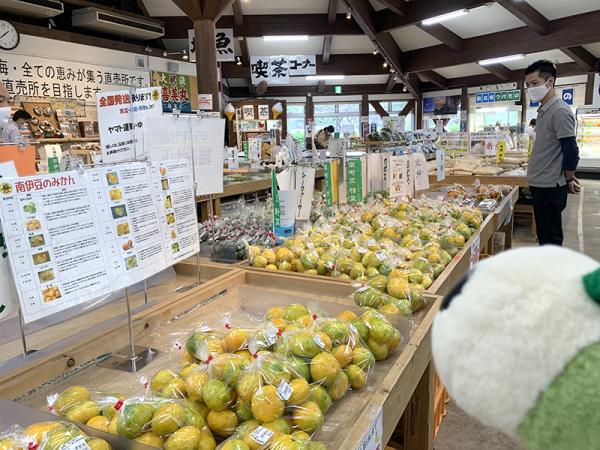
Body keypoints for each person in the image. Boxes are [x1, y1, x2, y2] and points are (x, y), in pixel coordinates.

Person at [525, 60, 580, 246]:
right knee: (545, 235)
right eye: (528, 85)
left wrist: (569, 179)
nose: (530, 88)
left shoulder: (559, 111)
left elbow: (571, 150)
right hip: (541, 184)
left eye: (534, 83)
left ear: (550, 82)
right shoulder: (543, 110)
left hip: (550, 187)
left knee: (551, 238)